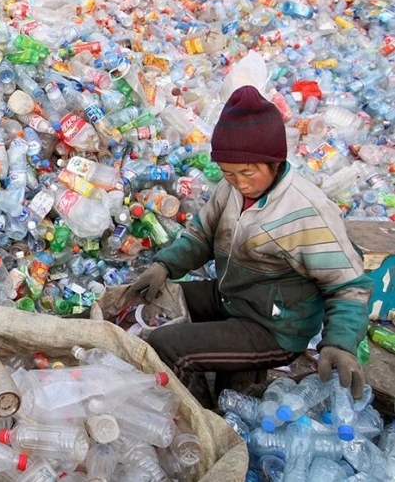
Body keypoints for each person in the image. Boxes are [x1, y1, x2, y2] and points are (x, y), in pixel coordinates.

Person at [129, 85, 371, 399]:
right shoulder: (229, 189)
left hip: (274, 327)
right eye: (229, 173)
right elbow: (201, 236)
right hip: (232, 295)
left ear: (274, 161)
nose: (240, 183)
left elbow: (347, 285)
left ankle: (179, 418)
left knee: (166, 345)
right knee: (149, 300)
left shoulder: (308, 212)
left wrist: (340, 343)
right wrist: (164, 266)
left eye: (248, 172)